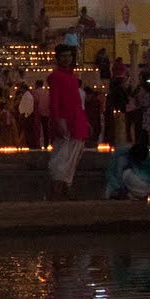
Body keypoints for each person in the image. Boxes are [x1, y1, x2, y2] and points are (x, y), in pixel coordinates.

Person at [46, 48, 92, 198]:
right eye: (63, 56)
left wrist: (85, 121)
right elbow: (54, 101)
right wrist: (58, 120)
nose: (66, 59)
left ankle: (65, 190)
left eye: (69, 56)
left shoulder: (72, 77)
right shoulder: (56, 77)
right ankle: (57, 190)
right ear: (57, 59)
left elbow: (77, 103)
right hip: (65, 121)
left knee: (72, 158)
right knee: (61, 157)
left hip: (77, 120)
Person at [105, 131, 150, 200]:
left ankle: (129, 194)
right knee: (121, 162)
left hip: (146, 184)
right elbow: (111, 169)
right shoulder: (126, 153)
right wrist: (117, 187)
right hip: (128, 181)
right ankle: (122, 192)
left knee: (126, 174)